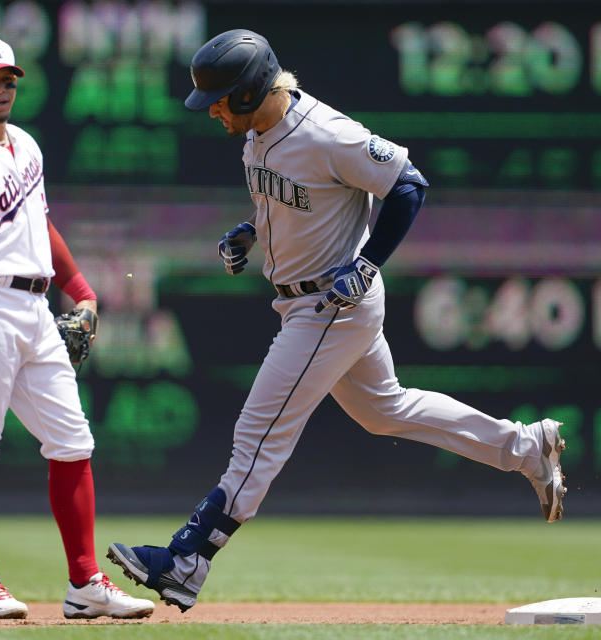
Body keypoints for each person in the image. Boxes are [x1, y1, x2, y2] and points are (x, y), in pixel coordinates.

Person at [107, 29, 567, 612]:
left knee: (258, 434)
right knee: (386, 410)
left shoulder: (327, 133)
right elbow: (295, 196)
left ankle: (187, 558)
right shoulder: (260, 132)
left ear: (251, 91)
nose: (214, 111)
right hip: (305, 300)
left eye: (221, 99)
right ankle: (527, 446)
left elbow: (408, 185)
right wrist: (252, 230)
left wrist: (368, 263)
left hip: (330, 304)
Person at [0, 36, 154, 620]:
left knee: (73, 441)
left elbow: (39, 224)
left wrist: (82, 289)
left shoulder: (25, 144)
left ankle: (85, 584)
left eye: (8, 81)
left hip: (35, 306)